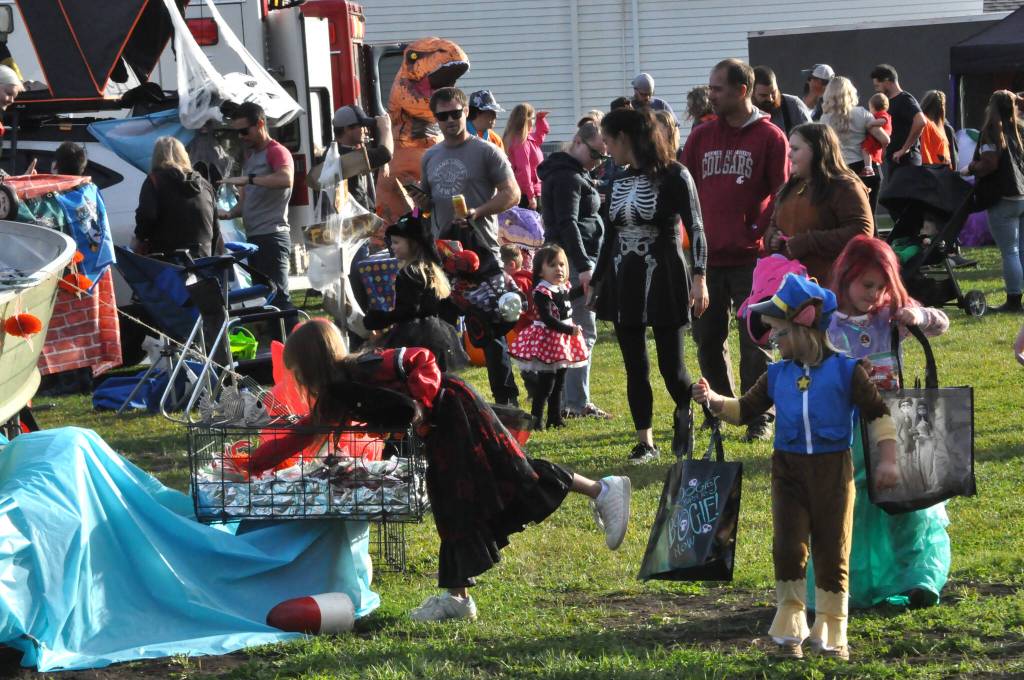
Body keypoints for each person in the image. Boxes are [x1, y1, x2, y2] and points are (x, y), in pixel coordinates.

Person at [247, 319, 633, 622]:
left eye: (299, 370)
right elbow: (303, 434)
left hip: (454, 412)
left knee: (506, 477)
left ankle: (604, 490)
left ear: (312, 364)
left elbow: (420, 359)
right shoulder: (340, 392)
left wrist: (423, 403)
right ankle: (457, 597)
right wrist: (253, 463)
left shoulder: (365, 367)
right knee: (460, 500)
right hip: (441, 427)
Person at [693, 273, 899, 661]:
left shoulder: (846, 370)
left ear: (804, 330)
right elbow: (744, 410)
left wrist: (887, 459)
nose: (774, 341)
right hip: (787, 472)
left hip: (833, 472)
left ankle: (831, 630)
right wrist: (713, 399)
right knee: (788, 547)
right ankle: (790, 628)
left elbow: (878, 415)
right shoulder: (776, 374)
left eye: (779, 333)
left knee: (832, 549)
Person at [819, 234, 951, 610]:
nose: (874, 294)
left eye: (881, 287)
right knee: (855, 508)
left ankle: (916, 578)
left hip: (897, 424)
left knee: (911, 506)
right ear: (846, 277)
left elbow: (940, 324)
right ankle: (856, 584)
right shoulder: (829, 320)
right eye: (867, 285)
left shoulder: (889, 315)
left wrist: (918, 315)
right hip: (849, 430)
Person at [593, 107, 708, 464]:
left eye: (609, 140)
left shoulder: (675, 175)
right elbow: (610, 233)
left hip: (664, 275)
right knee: (634, 364)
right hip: (623, 276)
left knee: (670, 365)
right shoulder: (618, 177)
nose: (606, 148)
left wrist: (700, 277)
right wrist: (597, 280)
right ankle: (645, 440)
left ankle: (687, 411)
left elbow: (697, 228)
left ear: (624, 138)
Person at [681, 58, 788, 441]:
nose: (711, 95)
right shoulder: (701, 136)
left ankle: (758, 414)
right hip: (705, 260)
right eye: (710, 88)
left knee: (755, 341)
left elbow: (782, 192)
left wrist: (762, 228)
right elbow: (685, 186)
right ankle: (720, 408)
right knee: (708, 340)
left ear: (741, 91)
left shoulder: (770, 137)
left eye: (717, 89)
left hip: (750, 258)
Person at [412, 86, 522, 404]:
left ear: (465, 112)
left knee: (491, 326)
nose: (449, 121)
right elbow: (430, 205)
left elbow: (512, 193)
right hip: (443, 248)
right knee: (438, 325)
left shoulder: (486, 150)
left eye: (454, 114)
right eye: (442, 116)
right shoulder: (431, 155)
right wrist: (423, 201)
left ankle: (506, 402)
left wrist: (478, 211)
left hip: (481, 247)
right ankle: (441, 397)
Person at [538, 122, 612, 420]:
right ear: (578, 142)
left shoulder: (573, 173)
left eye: (603, 156)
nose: (598, 161)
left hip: (572, 257)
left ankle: (572, 401)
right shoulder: (568, 177)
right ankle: (576, 403)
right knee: (582, 330)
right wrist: (583, 267)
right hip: (574, 260)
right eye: (595, 153)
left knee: (573, 329)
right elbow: (568, 223)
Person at [762, 124, 873, 285]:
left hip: (832, 289)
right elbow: (774, 223)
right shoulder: (791, 186)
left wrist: (808, 242)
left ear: (818, 150)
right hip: (791, 289)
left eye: (795, 148)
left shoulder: (844, 186)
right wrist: (772, 237)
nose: (789, 154)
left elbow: (862, 232)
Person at [362, 212, 469, 372]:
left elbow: (409, 309)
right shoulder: (432, 271)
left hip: (414, 337)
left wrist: (379, 318)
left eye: (397, 242)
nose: (392, 247)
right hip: (438, 334)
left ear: (413, 244)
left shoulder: (409, 273)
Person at [218, 102, 296, 311]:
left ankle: (294, 342)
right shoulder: (250, 158)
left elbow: (286, 179)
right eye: (238, 133)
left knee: (279, 299)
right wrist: (226, 214)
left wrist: (250, 179)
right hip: (254, 239)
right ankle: (276, 341)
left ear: (260, 124)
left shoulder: (276, 151)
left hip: (273, 236)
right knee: (265, 300)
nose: (241, 137)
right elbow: (243, 205)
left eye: (244, 131)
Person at [509, 245, 589, 429]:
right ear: (541, 271)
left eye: (562, 264)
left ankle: (555, 417)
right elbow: (548, 319)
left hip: (561, 342)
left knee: (559, 382)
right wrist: (569, 330)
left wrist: (585, 288)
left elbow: (569, 296)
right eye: (552, 265)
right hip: (549, 341)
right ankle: (536, 419)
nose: (559, 269)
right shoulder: (542, 292)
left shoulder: (562, 288)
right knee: (546, 384)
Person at [961, 90, 1024, 313]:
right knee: (1020, 250)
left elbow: (989, 163)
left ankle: (1014, 300)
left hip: (1003, 197)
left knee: (1010, 251)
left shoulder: (991, 131)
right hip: (1021, 195)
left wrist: (970, 168)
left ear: (992, 106)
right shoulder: (1018, 130)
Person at [132, 136, 222, 258]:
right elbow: (215, 227)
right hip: (203, 261)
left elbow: (147, 215)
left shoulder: (154, 181)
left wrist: (139, 238)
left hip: (168, 261)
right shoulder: (205, 184)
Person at [819, 76, 890, 208]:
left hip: (840, 170)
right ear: (851, 92)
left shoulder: (825, 119)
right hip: (867, 169)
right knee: (869, 218)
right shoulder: (862, 113)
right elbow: (884, 139)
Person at [323, 105, 393, 213]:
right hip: (351, 223)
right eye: (362, 126)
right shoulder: (342, 156)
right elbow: (386, 154)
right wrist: (386, 129)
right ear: (347, 129)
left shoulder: (334, 152)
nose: (366, 130)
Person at [870, 64, 926, 177]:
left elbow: (921, 121)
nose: (876, 90)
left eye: (877, 86)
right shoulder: (887, 103)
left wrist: (904, 149)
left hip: (907, 163)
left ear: (887, 81)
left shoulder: (904, 99)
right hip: (895, 162)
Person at [503, 103, 550, 210]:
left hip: (534, 191)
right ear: (526, 120)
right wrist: (530, 196)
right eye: (533, 118)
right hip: (527, 195)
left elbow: (541, 135)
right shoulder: (521, 142)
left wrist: (540, 119)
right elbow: (523, 170)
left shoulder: (528, 138)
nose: (534, 122)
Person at [753, 65, 811, 136]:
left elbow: (811, 138)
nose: (770, 99)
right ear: (751, 93)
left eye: (773, 93)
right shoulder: (744, 114)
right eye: (763, 95)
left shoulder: (792, 105)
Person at [861, 93, 893, 212]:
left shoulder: (882, 115)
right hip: (879, 139)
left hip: (877, 138)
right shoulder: (882, 114)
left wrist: (870, 123)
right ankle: (869, 165)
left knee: (866, 149)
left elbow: (882, 121)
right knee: (870, 151)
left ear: (873, 106)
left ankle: (868, 166)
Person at [919, 91, 953, 168]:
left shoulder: (940, 125)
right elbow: (924, 150)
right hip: (934, 171)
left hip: (942, 170)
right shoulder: (925, 122)